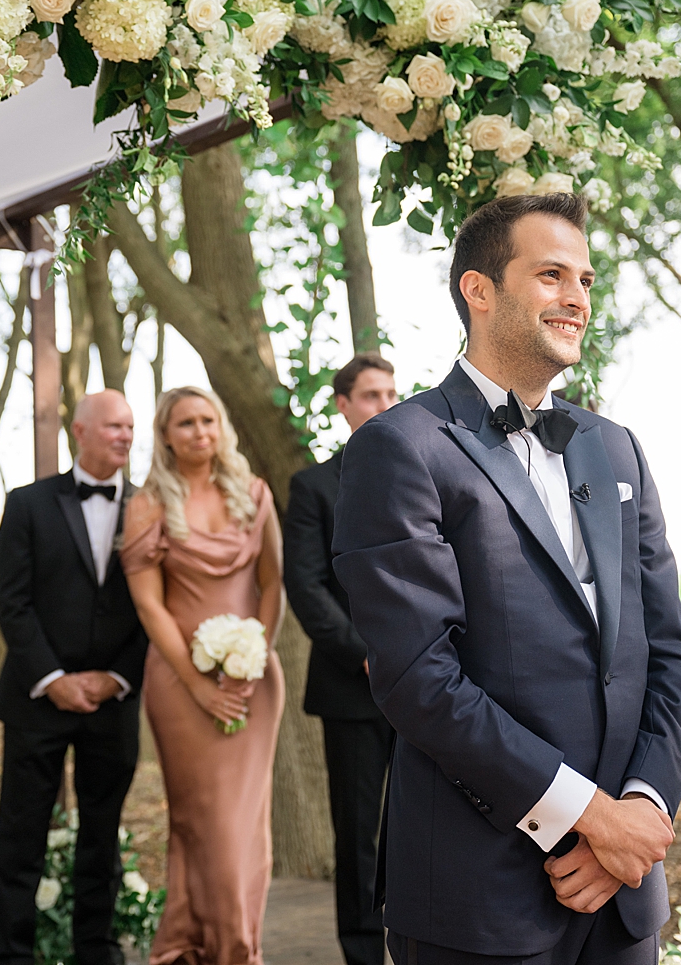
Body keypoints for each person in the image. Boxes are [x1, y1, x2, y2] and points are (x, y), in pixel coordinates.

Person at [333, 194, 681, 965]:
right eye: (552, 275)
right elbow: (420, 681)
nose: (577, 298)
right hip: (478, 895)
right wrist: (589, 816)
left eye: (588, 280)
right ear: (480, 290)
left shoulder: (618, 448)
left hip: (622, 893)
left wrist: (637, 809)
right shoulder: (401, 448)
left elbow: (668, 656)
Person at [121, 386, 285, 965]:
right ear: (166, 435)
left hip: (253, 682)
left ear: (223, 426)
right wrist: (198, 685)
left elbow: (271, 584)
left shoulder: (254, 494)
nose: (199, 432)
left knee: (244, 825)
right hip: (179, 685)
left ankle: (223, 948)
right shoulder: (147, 505)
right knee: (201, 822)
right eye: (185, 423)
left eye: (208, 420)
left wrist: (253, 656)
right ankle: (205, 949)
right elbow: (150, 606)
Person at [0, 390, 149, 965]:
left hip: (114, 700)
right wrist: (53, 677)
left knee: (102, 839)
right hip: (37, 699)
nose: (125, 436)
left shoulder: (148, 507)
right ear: (79, 431)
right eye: (113, 427)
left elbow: (155, 608)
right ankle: (8, 954)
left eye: (130, 427)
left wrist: (117, 677)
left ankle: (96, 951)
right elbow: (11, 603)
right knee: (20, 839)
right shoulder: (27, 503)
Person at [283, 353, 399, 965]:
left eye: (390, 393)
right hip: (352, 689)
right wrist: (365, 655)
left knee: (418, 827)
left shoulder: (422, 473)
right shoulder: (313, 487)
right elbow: (305, 586)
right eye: (371, 395)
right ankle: (361, 954)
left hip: (428, 686)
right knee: (358, 835)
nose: (384, 404)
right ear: (344, 405)